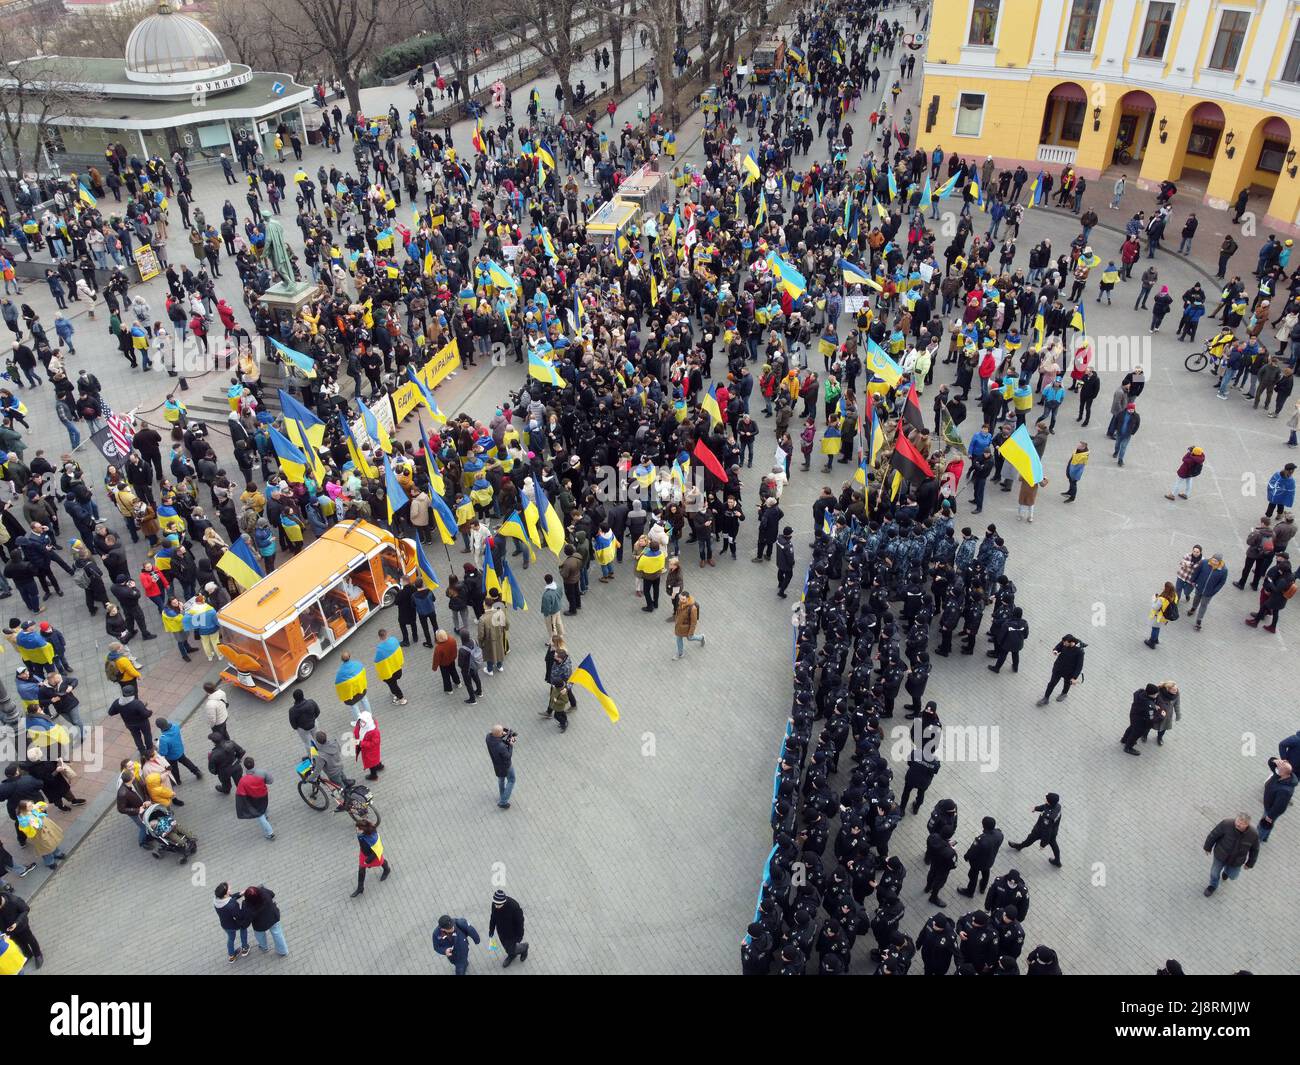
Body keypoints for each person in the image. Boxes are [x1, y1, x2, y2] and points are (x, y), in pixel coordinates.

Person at [1202, 814, 1258, 896]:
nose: (1238, 824)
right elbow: (1214, 834)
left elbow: (1255, 850)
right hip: (1220, 855)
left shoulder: (1253, 835)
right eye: (1238, 820)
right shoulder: (1226, 824)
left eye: (1242, 823)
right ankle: (1212, 886)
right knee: (1214, 873)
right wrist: (1207, 847)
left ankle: (1226, 872)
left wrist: (1250, 864)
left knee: (1233, 876)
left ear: (1247, 825)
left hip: (1236, 861)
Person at [1008, 793, 1063, 866]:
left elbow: (1047, 831)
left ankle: (1019, 846)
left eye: (1046, 799)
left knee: (1029, 839)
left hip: (1040, 831)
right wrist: (1036, 808)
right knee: (1054, 845)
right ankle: (1057, 861)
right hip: (1053, 831)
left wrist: (1043, 844)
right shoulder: (1057, 806)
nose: (1045, 800)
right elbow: (1045, 806)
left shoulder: (1048, 817)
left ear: (1050, 802)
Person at [958, 816, 1004, 897]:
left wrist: (967, 856)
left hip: (977, 863)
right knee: (986, 873)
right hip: (990, 861)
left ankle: (970, 892)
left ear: (984, 826)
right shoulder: (999, 834)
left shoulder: (981, 840)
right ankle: (983, 888)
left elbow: (973, 851)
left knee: (973, 876)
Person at [0, 881, 41, 968]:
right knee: (20, 943)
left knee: (30, 940)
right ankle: (28, 954)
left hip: (21, 926)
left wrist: (17, 923)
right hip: (8, 930)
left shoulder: (14, 901)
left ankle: (38, 955)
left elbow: (26, 909)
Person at [240, 884, 287, 956]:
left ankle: (264, 947)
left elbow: (246, 921)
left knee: (260, 935)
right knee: (277, 934)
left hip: (260, 925)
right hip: (273, 917)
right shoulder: (264, 892)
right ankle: (282, 951)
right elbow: (272, 894)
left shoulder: (247, 906)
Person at [233, 757, 274, 839]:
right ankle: (265, 815)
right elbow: (270, 781)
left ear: (245, 767)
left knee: (259, 815)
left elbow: (240, 793)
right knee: (264, 806)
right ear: (254, 763)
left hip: (253, 799)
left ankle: (270, 833)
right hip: (264, 795)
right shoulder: (262, 772)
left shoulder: (243, 780)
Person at [351, 818, 391, 897]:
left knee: (381, 861)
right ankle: (360, 888)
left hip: (372, 856)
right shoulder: (361, 834)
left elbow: (376, 851)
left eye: (358, 828)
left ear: (363, 830)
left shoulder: (372, 838)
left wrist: (368, 861)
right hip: (364, 853)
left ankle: (387, 869)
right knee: (361, 869)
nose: (356, 829)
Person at [488, 890, 529, 966]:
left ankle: (524, 947)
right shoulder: (495, 904)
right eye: (495, 904)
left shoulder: (514, 906)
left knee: (511, 948)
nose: (496, 906)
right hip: (501, 932)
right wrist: (491, 929)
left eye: (499, 905)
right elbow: (493, 917)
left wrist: (519, 937)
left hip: (512, 934)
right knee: (506, 947)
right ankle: (512, 954)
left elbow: (520, 923)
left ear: (504, 902)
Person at [1121, 683, 1163, 755]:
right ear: (1151, 694)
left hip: (1134, 715)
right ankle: (1128, 747)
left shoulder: (1140, 693)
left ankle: (1124, 739)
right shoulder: (1149, 706)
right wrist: (1161, 716)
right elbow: (1151, 719)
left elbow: (1146, 703)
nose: (1157, 695)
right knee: (1136, 734)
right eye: (1156, 694)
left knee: (1132, 727)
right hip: (1141, 722)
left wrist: (1153, 704)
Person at [213, 882, 250, 962]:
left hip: (225, 925)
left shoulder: (216, 900)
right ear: (225, 894)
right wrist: (244, 903)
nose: (230, 887)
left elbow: (229, 898)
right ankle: (245, 948)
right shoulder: (232, 905)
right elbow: (239, 916)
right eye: (228, 888)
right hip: (234, 924)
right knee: (243, 928)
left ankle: (231, 956)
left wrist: (240, 894)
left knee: (231, 938)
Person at [1189, 553, 1228, 630]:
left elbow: (1221, 583)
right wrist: (1193, 580)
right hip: (1199, 587)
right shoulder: (1204, 563)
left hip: (1209, 592)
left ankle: (1199, 620)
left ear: (1219, 562)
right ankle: (1193, 608)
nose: (1214, 562)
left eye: (1216, 561)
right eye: (1213, 560)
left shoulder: (1224, 570)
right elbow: (1197, 572)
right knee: (1196, 598)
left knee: (1204, 605)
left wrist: (1214, 591)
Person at [1260, 758, 1295, 841]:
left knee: (1263, 825)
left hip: (1271, 810)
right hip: (1269, 806)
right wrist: (1275, 761)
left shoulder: (1285, 790)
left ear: (1283, 772)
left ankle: (1259, 839)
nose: (1277, 769)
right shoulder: (1281, 775)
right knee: (1268, 823)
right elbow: (1271, 764)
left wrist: (1270, 816)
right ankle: (1265, 837)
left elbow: (1280, 806)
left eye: (1279, 768)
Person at [486, 725, 516, 809]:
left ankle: (502, 795)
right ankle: (503, 802)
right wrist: (511, 745)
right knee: (511, 780)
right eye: (502, 732)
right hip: (506, 766)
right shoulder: (501, 747)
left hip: (497, 765)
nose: (503, 732)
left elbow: (496, 735)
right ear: (498, 734)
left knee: (501, 779)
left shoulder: (488, 737)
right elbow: (508, 756)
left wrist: (503, 734)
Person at [673, 591, 706, 659]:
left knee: (690, 638)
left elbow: (694, 622)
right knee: (678, 638)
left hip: (687, 628)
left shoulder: (692, 609)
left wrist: (691, 632)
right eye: (680, 598)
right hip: (680, 627)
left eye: (683, 599)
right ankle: (680, 653)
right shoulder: (681, 603)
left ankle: (701, 637)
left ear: (688, 599)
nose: (681, 600)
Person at [288, 689, 320, 754]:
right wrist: (313, 718)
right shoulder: (311, 702)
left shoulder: (292, 710)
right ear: (303, 695)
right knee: (317, 739)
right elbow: (318, 711)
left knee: (307, 743)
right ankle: (322, 752)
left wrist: (297, 728)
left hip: (302, 729)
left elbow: (293, 724)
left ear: (294, 698)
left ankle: (312, 757)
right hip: (314, 724)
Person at [1145, 581, 1176, 648]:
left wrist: (1154, 599)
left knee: (1154, 628)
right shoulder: (1173, 596)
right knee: (1158, 627)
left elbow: (1155, 607)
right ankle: (1156, 639)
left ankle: (1152, 642)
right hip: (1163, 616)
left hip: (1158, 616)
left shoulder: (1162, 599)